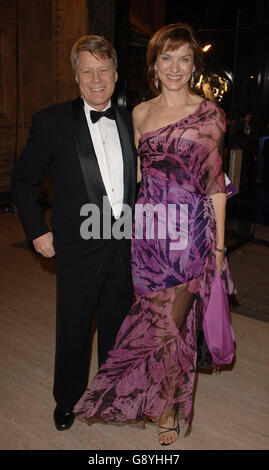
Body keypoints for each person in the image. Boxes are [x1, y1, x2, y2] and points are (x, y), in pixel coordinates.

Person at [73, 23, 235, 446]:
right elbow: (138, 179)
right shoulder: (139, 114)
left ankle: (162, 407)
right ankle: (160, 399)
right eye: (167, 58)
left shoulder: (211, 113)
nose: (175, 67)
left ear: (194, 64)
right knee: (157, 322)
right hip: (146, 235)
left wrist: (218, 246)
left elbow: (216, 184)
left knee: (167, 326)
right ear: (154, 65)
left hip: (189, 235)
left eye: (184, 58)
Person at [11, 35, 137, 431]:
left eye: (104, 70)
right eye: (87, 71)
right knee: (74, 327)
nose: (96, 79)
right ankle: (67, 399)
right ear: (76, 76)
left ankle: (111, 395)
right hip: (77, 246)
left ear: (116, 75)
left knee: (118, 325)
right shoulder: (51, 122)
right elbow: (22, 180)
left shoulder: (133, 118)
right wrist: (37, 231)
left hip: (125, 245)